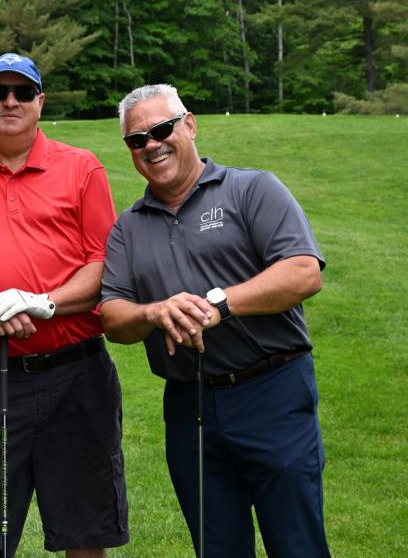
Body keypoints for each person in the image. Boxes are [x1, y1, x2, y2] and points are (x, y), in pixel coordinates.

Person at [99, 84, 331, 557]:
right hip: (190, 404)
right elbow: (112, 316)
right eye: (136, 139)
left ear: (189, 124)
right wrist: (153, 311)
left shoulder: (252, 188)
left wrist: (219, 304)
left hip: (271, 391)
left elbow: (303, 272)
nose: (151, 145)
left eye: (161, 129)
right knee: (216, 547)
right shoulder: (128, 226)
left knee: (297, 543)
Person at [0, 53, 128, 558]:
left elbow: (103, 263)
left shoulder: (81, 168)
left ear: (40, 101)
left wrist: (42, 304)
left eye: (21, 93)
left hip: (76, 373)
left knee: (85, 533)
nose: (9, 102)